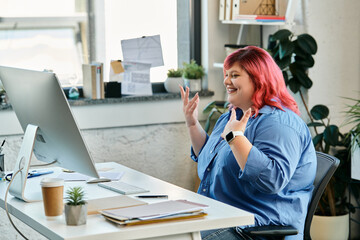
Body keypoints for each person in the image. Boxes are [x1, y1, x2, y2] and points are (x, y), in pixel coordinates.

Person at [179, 46, 316, 240]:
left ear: (258, 79)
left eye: (234, 75)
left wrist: (236, 139)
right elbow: (209, 161)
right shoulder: (234, 116)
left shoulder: (279, 123)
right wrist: (192, 123)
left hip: (256, 228)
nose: (226, 81)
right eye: (226, 75)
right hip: (223, 218)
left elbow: (272, 179)